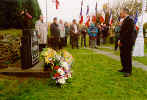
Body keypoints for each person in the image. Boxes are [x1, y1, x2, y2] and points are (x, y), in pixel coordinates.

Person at [118, 8, 136, 77]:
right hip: (123, 41)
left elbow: (128, 32)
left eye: (121, 13)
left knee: (127, 56)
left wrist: (121, 40)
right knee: (122, 55)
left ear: (125, 12)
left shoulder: (130, 20)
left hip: (128, 41)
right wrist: (120, 40)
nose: (120, 14)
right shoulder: (124, 20)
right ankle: (124, 68)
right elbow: (122, 32)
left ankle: (128, 71)